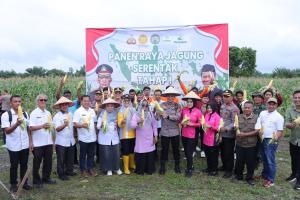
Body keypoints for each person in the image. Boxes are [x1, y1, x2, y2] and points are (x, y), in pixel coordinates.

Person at [1, 95, 32, 192]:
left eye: (19, 101)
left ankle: (24, 183)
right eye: (15, 101)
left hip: (25, 144)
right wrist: (16, 124)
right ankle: (13, 184)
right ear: (11, 103)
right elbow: (7, 131)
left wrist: (30, 142)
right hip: (13, 146)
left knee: (24, 164)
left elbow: (28, 129)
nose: (18, 103)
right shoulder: (6, 115)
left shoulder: (25, 114)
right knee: (14, 165)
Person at [255, 97, 284, 188]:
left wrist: (275, 139)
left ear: (276, 105)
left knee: (270, 160)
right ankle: (264, 175)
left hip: (271, 140)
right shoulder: (263, 113)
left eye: (273, 104)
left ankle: (271, 180)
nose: (271, 106)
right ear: (266, 104)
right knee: (264, 158)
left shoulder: (279, 117)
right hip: (262, 138)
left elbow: (280, 131)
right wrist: (258, 129)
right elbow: (259, 123)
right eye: (269, 104)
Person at [29, 94, 56, 187]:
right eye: (41, 100)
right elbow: (31, 127)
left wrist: (53, 141)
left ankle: (46, 178)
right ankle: (36, 181)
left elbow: (51, 127)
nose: (43, 101)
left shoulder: (48, 113)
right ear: (37, 101)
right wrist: (42, 126)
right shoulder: (34, 113)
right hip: (38, 143)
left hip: (48, 141)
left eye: (45, 100)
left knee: (48, 161)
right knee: (37, 162)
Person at [233, 101, 258, 186]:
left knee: (250, 162)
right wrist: (235, 129)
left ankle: (249, 178)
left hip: (251, 144)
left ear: (252, 108)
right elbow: (235, 128)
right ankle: (238, 176)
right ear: (243, 108)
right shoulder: (238, 117)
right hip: (240, 143)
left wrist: (245, 134)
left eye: (249, 107)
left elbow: (257, 131)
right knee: (239, 161)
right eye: (245, 107)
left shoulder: (256, 118)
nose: (247, 109)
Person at [157, 87, 181, 175]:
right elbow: (157, 118)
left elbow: (178, 117)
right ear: (166, 96)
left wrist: (168, 116)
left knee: (176, 150)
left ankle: (177, 166)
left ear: (174, 97)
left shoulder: (177, 106)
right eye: (169, 96)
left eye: (172, 96)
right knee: (164, 150)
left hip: (175, 131)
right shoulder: (162, 105)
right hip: (165, 131)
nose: (170, 98)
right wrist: (157, 113)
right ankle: (162, 167)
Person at [131, 99, 158, 175]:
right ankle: (140, 170)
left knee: (150, 153)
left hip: (149, 137)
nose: (145, 107)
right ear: (140, 106)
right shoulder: (136, 114)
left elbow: (154, 125)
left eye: (146, 105)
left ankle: (149, 170)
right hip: (140, 139)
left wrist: (155, 135)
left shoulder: (151, 114)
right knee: (141, 153)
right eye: (143, 105)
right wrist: (139, 121)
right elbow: (132, 125)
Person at [73, 95, 97, 177]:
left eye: (88, 101)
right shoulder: (78, 111)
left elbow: (94, 123)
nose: (87, 102)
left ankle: (90, 169)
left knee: (91, 154)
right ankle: (83, 170)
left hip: (92, 137)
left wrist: (96, 134)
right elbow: (75, 124)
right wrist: (82, 125)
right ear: (82, 101)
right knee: (83, 155)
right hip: (83, 138)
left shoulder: (92, 111)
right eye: (85, 101)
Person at [53, 97, 76, 181]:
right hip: (61, 141)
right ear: (59, 106)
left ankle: (69, 171)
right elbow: (57, 129)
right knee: (61, 158)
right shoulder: (57, 116)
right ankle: (61, 173)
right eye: (62, 105)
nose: (64, 106)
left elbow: (73, 127)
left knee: (70, 157)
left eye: (66, 104)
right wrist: (64, 125)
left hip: (70, 140)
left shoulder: (71, 114)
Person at [97, 98, 122, 176]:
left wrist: (119, 123)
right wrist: (101, 124)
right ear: (105, 107)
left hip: (114, 137)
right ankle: (109, 169)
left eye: (112, 106)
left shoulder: (116, 114)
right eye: (108, 106)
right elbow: (98, 126)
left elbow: (120, 125)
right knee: (106, 154)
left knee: (116, 153)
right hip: (105, 137)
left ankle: (117, 168)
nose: (110, 107)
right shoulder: (102, 115)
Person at [180, 91, 202, 177]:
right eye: (188, 102)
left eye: (191, 102)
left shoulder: (198, 111)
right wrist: (182, 123)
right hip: (184, 133)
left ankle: (189, 169)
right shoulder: (184, 110)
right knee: (186, 151)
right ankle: (191, 165)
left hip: (192, 135)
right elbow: (181, 120)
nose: (189, 103)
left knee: (189, 152)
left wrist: (193, 124)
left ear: (194, 102)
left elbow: (201, 123)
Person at [219, 89, 240, 178]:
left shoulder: (234, 108)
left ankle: (229, 170)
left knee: (229, 153)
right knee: (223, 152)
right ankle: (224, 166)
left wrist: (226, 128)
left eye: (227, 96)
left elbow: (235, 122)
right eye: (224, 96)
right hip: (221, 133)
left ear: (231, 97)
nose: (225, 98)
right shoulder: (222, 105)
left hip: (229, 134)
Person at [285, 90, 300, 190]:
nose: (297, 99)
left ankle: (299, 181)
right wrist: (290, 125)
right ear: (293, 98)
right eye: (295, 97)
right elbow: (287, 123)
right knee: (294, 158)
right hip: (294, 139)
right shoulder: (290, 109)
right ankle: (294, 174)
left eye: (299, 97)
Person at [118, 94, 136, 175]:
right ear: (123, 101)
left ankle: (132, 164)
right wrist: (122, 122)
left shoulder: (133, 109)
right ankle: (126, 168)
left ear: (130, 101)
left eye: (128, 100)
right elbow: (119, 124)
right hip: (124, 135)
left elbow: (136, 120)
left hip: (133, 134)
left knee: (132, 150)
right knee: (125, 151)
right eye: (125, 100)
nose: (126, 102)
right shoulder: (120, 111)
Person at [203, 103, 221, 176]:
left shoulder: (217, 116)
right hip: (206, 138)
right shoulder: (206, 115)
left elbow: (218, 128)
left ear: (214, 108)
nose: (209, 109)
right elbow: (204, 123)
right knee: (208, 154)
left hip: (213, 139)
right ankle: (209, 168)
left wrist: (210, 126)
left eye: (210, 108)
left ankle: (214, 170)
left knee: (213, 155)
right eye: (208, 108)